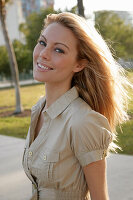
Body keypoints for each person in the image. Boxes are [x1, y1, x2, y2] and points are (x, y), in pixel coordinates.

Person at [22, 12, 129, 200]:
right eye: (42, 43)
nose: (44, 54)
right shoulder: (39, 110)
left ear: (79, 64)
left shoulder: (82, 121)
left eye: (59, 50)